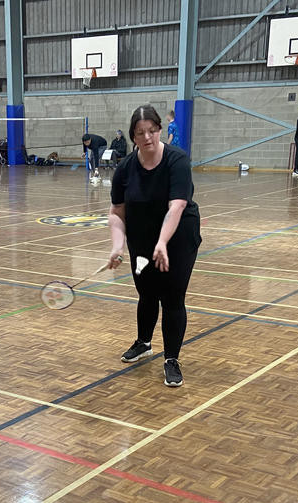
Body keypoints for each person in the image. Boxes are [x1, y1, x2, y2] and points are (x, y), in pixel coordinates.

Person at [106, 105, 201, 388]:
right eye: (140, 132)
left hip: (178, 238)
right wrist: (117, 246)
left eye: (151, 130)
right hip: (142, 240)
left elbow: (177, 206)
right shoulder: (125, 169)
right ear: (133, 135)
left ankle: (171, 359)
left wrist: (163, 242)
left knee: (172, 298)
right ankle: (144, 342)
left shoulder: (177, 160)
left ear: (160, 129)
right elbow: (116, 212)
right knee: (146, 293)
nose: (146, 137)